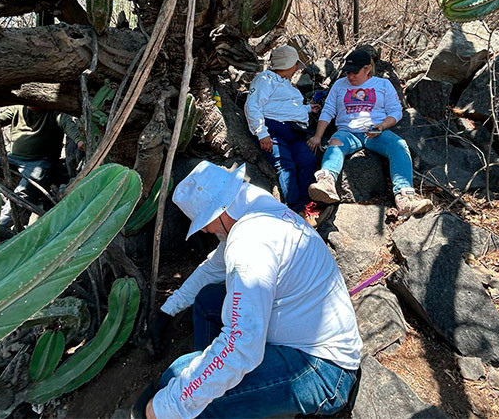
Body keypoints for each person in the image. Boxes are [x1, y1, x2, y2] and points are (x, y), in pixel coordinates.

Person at [145, 161, 362, 418]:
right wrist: (167, 311)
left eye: (204, 221)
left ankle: (220, 398)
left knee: (181, 382)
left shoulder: (249, 244)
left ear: (220, 212)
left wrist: (168, 405)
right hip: (304, 336)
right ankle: (227, 386)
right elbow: (212, 269)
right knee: (208, 300)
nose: (204, 229)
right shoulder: (255, 208)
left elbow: (242, 344)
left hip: (322, 370)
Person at [307, 49, 433, 218]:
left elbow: (396, 111)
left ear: (367, 69)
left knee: (399, 146)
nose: (350, 77)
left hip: (375, 132)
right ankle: (326, 183)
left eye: (355, 72)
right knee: (335, 144)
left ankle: (405, 199)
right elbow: (328, 110)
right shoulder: (339, 85)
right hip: (347, 132)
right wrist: (318, 135)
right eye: (348, 72)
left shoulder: (383, 84)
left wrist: (382, 126)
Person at [0, 105, 85, 228]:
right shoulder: (17, 109)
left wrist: (79, 140)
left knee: (23, 192)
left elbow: (68, 125)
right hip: (14, 158)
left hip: (40, 162)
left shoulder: (55, 112)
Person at [244, 45, 324, 226]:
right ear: (288, 64)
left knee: (307, 161)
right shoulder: (264, 79)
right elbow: (253, 106)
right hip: (273, 130)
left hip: (294, 131)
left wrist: (307, 109)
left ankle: (308, 204)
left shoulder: (286, 83)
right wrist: (262, 133)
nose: (297, 68)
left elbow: (285, 107)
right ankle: (296, 208)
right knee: (285, 165)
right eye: (295, 64)